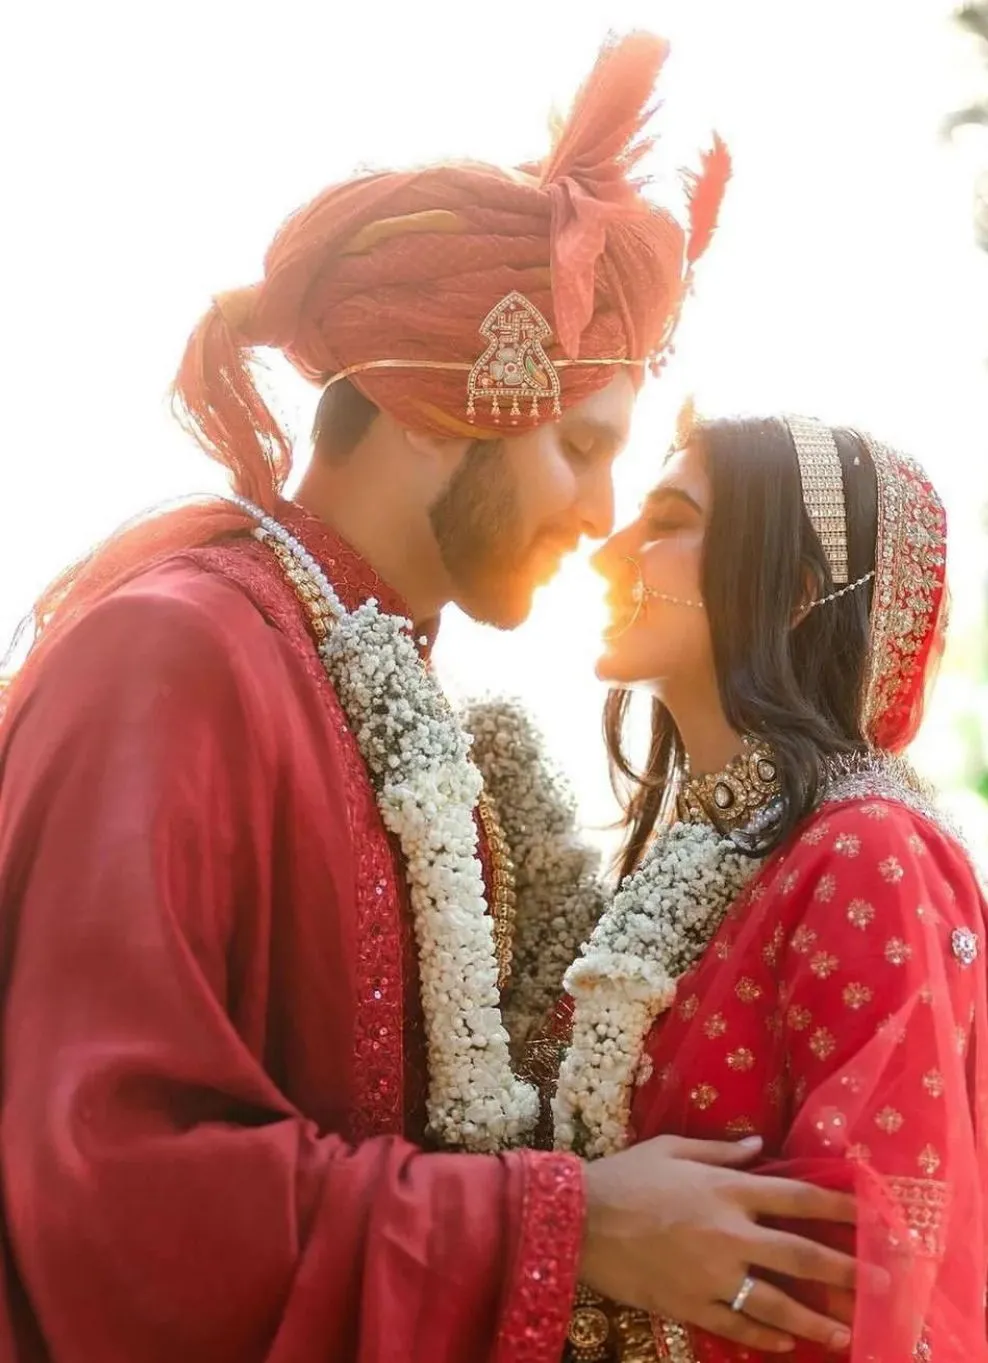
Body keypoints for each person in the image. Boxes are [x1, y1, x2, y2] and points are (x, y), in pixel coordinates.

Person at [0, 38, 857, 1363]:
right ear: (431, 402)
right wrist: (573, 1226)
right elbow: (109, 1189)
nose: (598, 513)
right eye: (579, 445)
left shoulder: (365, 682)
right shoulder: (176, 655)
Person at [550, 414, 986, 1360]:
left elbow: (863, 1279)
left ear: (791, 591)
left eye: (666, 518)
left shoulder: (870, 852)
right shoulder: (702, 861)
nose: (611, 552)